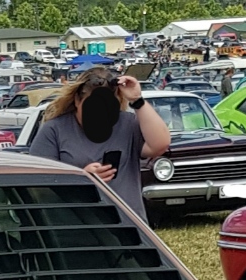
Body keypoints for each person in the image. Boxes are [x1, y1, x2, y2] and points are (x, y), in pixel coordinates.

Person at [29, 67, 171, 222]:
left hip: (127, 223)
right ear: (77, 100)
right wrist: (81, 178)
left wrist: (137, 100)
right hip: (77, 225)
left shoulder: (127, 123)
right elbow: (37, 183)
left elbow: (160, 144)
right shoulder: (54, 129)